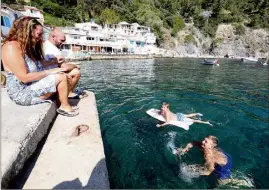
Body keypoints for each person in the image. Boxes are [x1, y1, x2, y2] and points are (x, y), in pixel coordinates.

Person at [1, 16, 78, 117]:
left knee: (70, 73)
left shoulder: (26, 47)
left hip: (31, 85)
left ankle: (61, 100)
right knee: (61, 76)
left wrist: (54, 62)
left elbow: (39, 64)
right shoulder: (11, 47)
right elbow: (24, 78)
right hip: (21, 92)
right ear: (26, 31)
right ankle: (64, 106)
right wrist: (52, 71)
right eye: (39, 34)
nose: (40, 37)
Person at [43, 27, 82, 98]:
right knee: (76, 72)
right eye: (61, 40)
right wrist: (74, 66)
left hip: (47, 75)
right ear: (53, 37)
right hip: (51, 77)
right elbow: (65, 68)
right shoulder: (53, 49)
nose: (62, 42)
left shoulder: (45, 45)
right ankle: (68, 94)